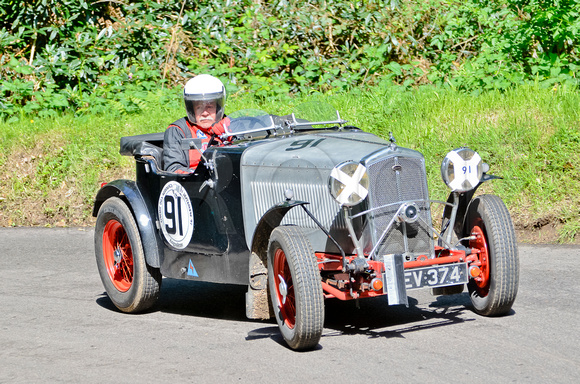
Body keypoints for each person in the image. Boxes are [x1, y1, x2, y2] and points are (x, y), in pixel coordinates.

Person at [163, 74, 230, 173]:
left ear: (218, 108)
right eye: (199, 107)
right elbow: (173, 168)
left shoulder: (230, 126)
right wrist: (199, 176)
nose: (205, 113)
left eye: (210, 106)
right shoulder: (178, 130)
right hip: (193, 182)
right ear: (192, 109)